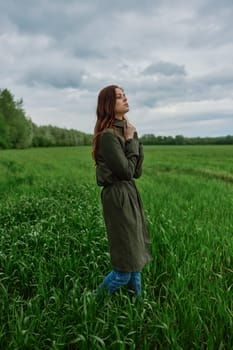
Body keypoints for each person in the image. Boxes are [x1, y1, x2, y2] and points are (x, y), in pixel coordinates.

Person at [92, 85, 152, 301]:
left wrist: (134, 138)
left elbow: (136, 172)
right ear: (109, 104)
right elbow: (125, 171)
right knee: (123, 270)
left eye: (125, 95)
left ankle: (139, 306)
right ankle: (91, 303)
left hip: (129, 193)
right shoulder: (108, 136)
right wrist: (130, 141)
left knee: (135, 259)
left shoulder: (124, 130)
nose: (125, 99)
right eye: (119, 97)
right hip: (117, 198)